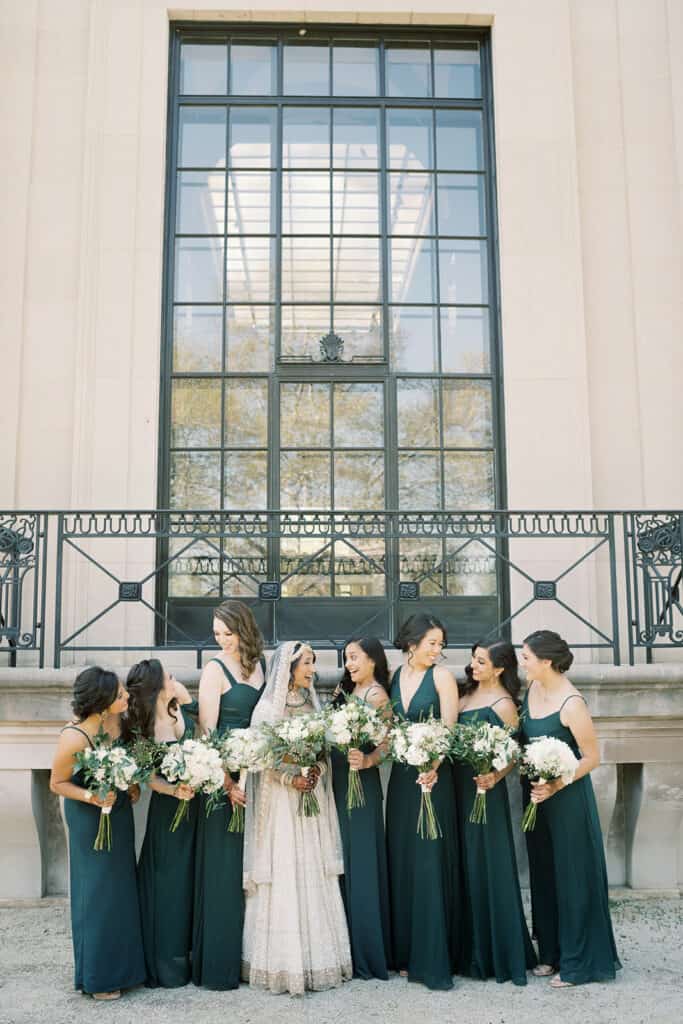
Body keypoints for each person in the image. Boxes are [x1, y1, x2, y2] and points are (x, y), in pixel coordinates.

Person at [242, 641, 352, 994]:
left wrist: (316, 770)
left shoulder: (312, 705)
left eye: (314, 663)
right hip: (281, 803)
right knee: (285, 869)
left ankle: (319, 958)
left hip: (311, 799)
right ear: (288, 668)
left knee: (313, 868)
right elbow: (260, 762)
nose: (312, 669)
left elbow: (322, 753)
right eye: (307, 663)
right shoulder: (267, 712)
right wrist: (291, 777)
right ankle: (282, 963)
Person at [519, 629, 621, 987]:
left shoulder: (572, 702)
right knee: (544, 874)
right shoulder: (531, 689)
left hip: (568, 800)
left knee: (572, 877)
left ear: (546, 661)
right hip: (537, 799)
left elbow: (592, 757)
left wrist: (557, 783)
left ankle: (579, 963)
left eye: (527, 656)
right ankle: (551, 952)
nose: (522, 662)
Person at [50, 666, 145, 1001]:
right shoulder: (74, 737)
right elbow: (57, 783)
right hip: (89, 819)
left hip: (117, 815)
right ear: (103, 703)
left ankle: (127, 969)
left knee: (120, 889)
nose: (127, 697)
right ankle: (99, 977)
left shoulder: (112, 725)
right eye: (120, 695)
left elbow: (122, 764)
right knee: (97, 893)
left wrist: (130, 785)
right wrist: (92, 796)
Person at [386, 612, 461, 990]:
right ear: (412, 642)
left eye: (441, 644)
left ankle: (433, 957)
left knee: (429, 859)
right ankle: (405, 952)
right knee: (404, 858)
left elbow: (448, 729)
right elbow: (391, 726)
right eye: (433, 643)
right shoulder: (396, 677)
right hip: (402, 779)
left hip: (432, 778)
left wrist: (433, 765)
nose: (438, 650)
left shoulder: (443, 678)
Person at [192, 600, 265, 990]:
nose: (221, 641)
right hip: (224, 783)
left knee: (252, 869)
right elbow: (207, 732)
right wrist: (227, 782)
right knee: (224, 870)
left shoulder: (263, 665)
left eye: (227, 633)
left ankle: (253, 957)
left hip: (258, 778)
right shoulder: (214, 670)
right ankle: (218, 966)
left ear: (244, 629)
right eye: (217, 633)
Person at [454, 640, 536, 984]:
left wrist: (494, 775)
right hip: (456, 789)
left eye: (481, 661)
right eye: (473, 659)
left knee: (488, 864)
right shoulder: (463, 695)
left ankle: (498, 953)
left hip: (484, 792)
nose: (473, 665)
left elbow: (515, 752)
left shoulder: (504, 705)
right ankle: (466, 950)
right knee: (462, 865)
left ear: (500, 668)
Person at [123, 659, 197, 987]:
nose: (174, 676)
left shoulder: (176, 708)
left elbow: (200, 734)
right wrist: (174, 790)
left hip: (193, 805)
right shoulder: (144, 729)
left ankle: (189, 954)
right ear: (155, 686)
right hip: (168, 811)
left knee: (188, 882)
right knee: (168, 885)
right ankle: (163, 963)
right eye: (167, 675)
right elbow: (151, 780)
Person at [330, 637, 392, 979]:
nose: (349, 663)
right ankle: (347, 946)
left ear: (372, 659)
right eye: (346, 658)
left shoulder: (377, 695)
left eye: (354, 657)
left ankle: (368, 952)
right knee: (346, 860)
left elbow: (388, 740)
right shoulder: (348, 693)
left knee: (363, 862)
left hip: (361, 787)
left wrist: (368, 760)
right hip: (340, 783)